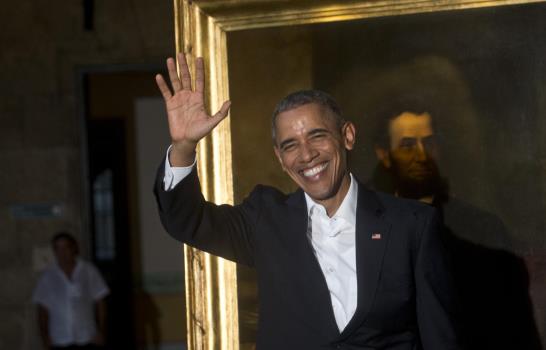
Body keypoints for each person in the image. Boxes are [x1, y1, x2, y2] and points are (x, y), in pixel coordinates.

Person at [153, 53, 462, 350]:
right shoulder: (265, 219)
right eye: (290, 145)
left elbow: (440, 338)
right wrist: (184, 147)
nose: (306, 154)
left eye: (317, 136)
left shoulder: (412, 224)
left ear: (348, 135)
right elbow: (186, 220)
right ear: (280, 158)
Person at [370, 99, 542, 350]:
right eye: (407, 145)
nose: (421, 155)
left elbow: (512, 324)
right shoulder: (368, 226)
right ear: (383, 154)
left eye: (428, 142)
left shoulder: (482, 226)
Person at [33, 232, 109, 350]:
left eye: (65, 247)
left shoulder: (88, 270)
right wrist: (45, 337)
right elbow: (42, 309)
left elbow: (101, 301)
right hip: (59, 339)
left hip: (87, 337)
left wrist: (101, 330)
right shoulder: (48, 275)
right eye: (58, 248)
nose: (62, 253)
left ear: (73, 248)